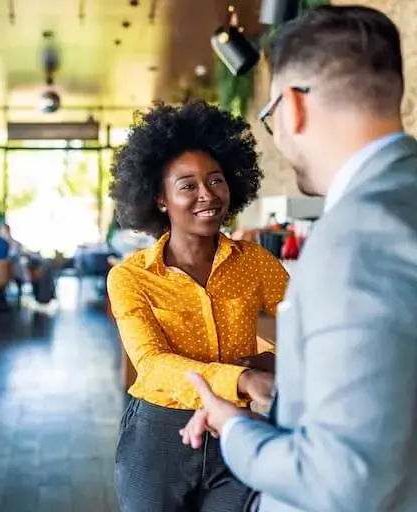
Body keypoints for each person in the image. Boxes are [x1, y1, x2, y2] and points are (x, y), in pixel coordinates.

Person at [181, 6, 417, 511]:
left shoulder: (355, 237)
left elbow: (339, 480)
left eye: (268, 119)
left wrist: (236, 428)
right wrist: (288, 405)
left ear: (292, 108)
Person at [107, 100, 288, 512]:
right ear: (159, 199)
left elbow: (306, 328)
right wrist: (240, 379)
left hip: (237, 433)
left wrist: (272, 361)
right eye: (187, 185)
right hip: (158, 435)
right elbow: (151, 363)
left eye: (216, 180)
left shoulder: (256, 263)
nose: (207, 195)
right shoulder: (132, 276)